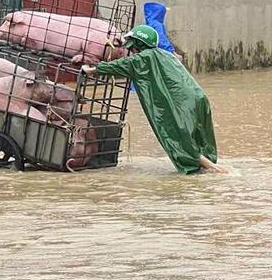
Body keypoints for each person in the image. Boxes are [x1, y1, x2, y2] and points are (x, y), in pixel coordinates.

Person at [83, 24, 226, 175]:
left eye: (133, 47)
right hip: (199, 98)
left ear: (138, 45)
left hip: (182, 105)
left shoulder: (144, 58)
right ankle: (208, 168)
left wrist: (91, 69)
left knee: (179, 140)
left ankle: (217, 170)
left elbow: (119, 65)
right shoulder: (165, 55)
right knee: (200, 140)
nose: (132, 51)